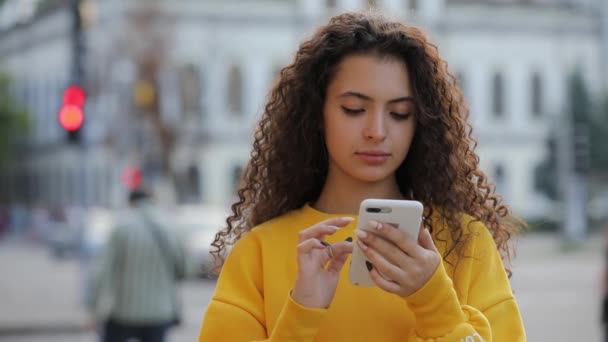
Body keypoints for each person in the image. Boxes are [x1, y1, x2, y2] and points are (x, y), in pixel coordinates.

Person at [199, 11, 525, 341]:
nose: (377, 131)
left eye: (400, 114)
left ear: (420, 123)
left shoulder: (465, 244)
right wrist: (301, 311)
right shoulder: (258, 253)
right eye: (354, 109)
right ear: (316, 114)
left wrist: (435, 302)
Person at [87, 187, 186, 342]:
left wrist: (94, 309)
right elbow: (184, 269)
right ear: (153, 201)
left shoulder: (121, 229)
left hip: (124, 311)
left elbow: (104, 273)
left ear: (131, 202)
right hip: (159, 312)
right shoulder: (171, 228)